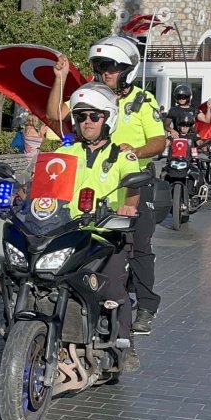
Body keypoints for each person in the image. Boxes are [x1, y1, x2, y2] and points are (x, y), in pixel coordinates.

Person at [47, 35, 166, 336]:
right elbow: (53, 116)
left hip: (129, 180)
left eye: (112, 66)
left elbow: (160, 141)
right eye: (100, 66)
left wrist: (135, 153)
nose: (105, 72)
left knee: (138, 243)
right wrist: (59, 79)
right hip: (92, 179)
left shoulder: (141, 100)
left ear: (127, 69)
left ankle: (146, 306)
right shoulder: (90, 97)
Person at [53, 83, 142, 371]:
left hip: (108, 235)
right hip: (70, 234)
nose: (87, 122)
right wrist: (25, 194)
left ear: (108, 118)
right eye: (81, 117)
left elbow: (134, 185)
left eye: (94, 116)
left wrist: (129, 204)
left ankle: (124, 344)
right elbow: (47, 179)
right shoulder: (66, 152)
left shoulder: (122, 155)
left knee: (114, 290)